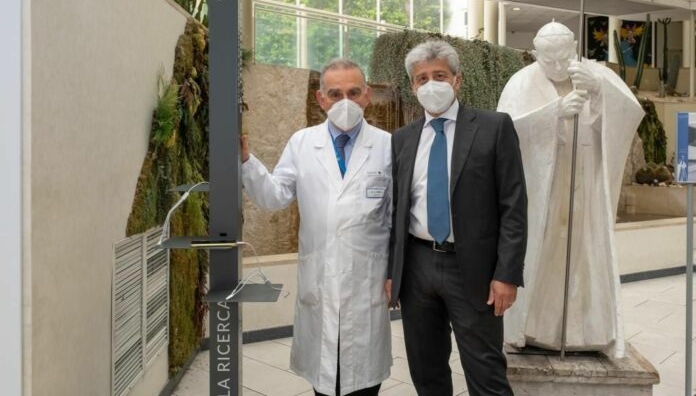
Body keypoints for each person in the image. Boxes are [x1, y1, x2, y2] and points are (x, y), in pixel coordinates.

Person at [241, 58, 392, 396]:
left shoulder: (387, 145)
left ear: (367, 96)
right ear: (320, 99)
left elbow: (396, 216)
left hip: (367, 282)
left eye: (354, 92)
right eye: (335, 94)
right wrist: (246, 162)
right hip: (320, 278)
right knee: (324, 384)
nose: (345, 102)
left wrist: (396, 271)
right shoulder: (303, 143)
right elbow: (274, 196)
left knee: (365, 385)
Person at [386, 40, 527, 396]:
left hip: (474, 270)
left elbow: (513, 205)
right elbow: (397, 210)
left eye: (439, 75)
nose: (431, 84)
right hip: (417, 267)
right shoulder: (402, 139)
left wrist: (507, 274)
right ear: (413, 87)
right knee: (426, 370)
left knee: (486, 373)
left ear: (457, 80)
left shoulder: (494, 127)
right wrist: (392, 271)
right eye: (422, 78)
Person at [497, 21, 644, 357]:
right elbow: (505, 132)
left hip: (586, 182)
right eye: (549, 60)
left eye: (565, 58)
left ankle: (587, 331)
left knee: (584, 252)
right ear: (535, 54)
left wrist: (600, 91)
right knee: (542, 250)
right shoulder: (521, 82)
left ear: (575, 46)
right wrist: (554, 114)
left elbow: (629, 115)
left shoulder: (596, 74)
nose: (559, 66)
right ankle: (534, 328)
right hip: (541, 188)